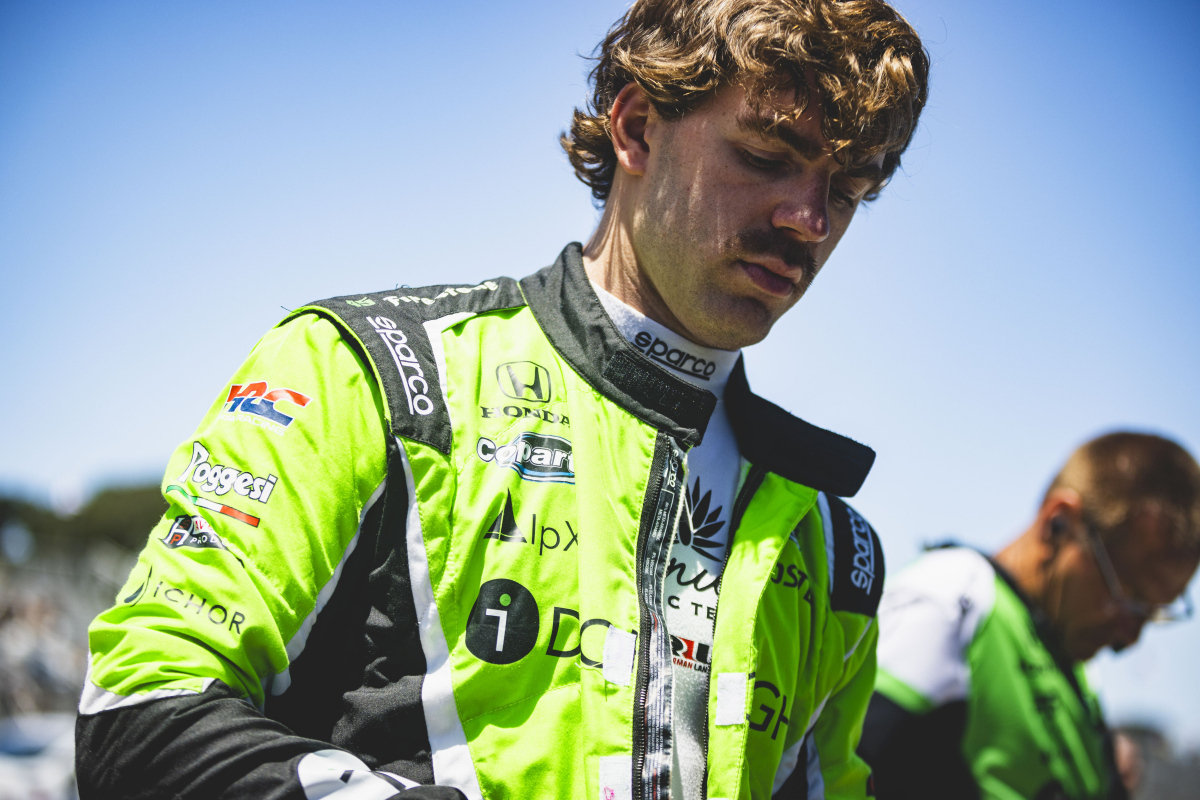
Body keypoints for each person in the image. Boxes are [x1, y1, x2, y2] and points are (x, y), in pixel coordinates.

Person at [75, 1, 929, 798]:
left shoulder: (833, 549)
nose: (811, 220)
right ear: (637, 128)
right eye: (767, 157)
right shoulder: (375, 372)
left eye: (848, 189)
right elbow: (138, 711)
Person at [858, 432, 1200, 800]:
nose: (1130, 637)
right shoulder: (953, 598)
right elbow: (837, 763)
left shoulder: (1079, 674)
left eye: (1152, 613)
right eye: (1129, 596)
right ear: (1058, 523)